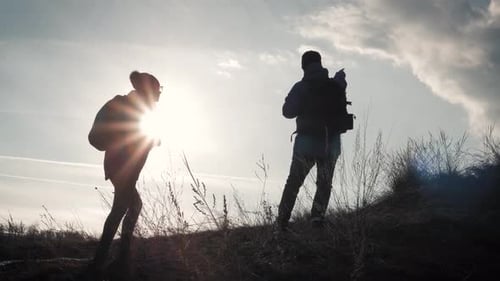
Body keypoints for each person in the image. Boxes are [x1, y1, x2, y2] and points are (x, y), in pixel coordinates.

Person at [87, 71, 162, 278]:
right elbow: (98, 136)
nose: (160, 95)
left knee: (128, 206)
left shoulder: (142, 109)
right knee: (124, 207)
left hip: (124, 168)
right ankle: (109, 261)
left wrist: (151, 140)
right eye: (158, 90)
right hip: (121, 168)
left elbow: (139, 134)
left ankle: (111, 259)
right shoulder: (124, 104)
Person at [277, 50, 347, 230]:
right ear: (320, 63)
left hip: (306, 142)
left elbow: (287, 112)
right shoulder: (334, 84)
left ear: (303, 66)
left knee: (294, 182)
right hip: (330, 142)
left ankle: (282, 221)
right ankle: (317, 219)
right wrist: (341, 81)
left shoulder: (301, 87)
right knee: (324, 183)